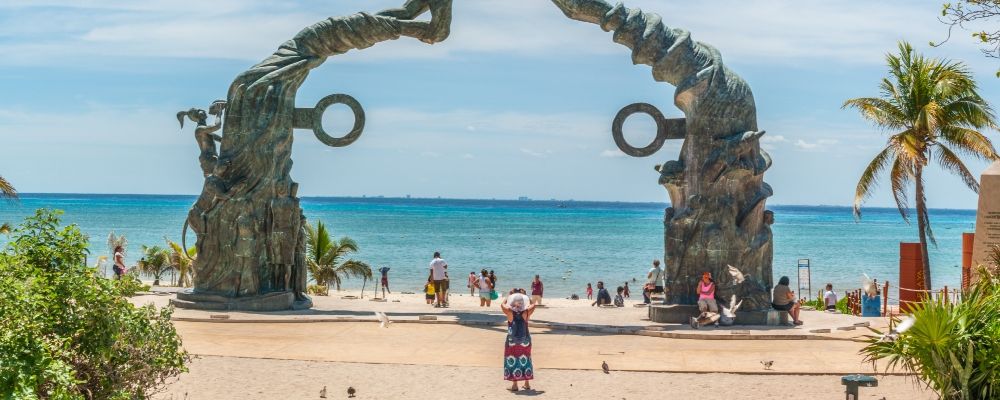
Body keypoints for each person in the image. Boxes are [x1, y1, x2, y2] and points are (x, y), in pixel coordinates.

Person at [501, 291, 536, 392]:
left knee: (512, 360)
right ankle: (527, 383)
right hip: (525, 339)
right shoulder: (526, 312)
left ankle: (515, 385)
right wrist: (527, 298)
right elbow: (533, 304)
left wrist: (507, 297)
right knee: (526, 358)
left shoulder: (509, 312)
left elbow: (502, 305)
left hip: (512, 340)